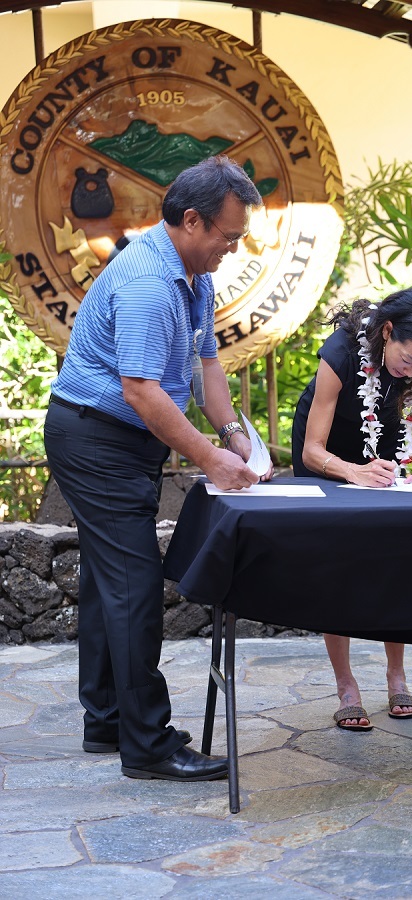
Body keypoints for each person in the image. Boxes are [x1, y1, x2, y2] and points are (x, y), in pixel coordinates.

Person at [44, 155, 272, 780]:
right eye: (227, 235)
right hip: (97, 439)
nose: (232, 247)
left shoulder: (193, 274)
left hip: (120, 438)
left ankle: (107, 721)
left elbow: (206, 366)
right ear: (192, 220)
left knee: (107, 583)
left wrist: (231, 435)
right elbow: (143, 390)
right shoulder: (147, 279)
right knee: (134, 589)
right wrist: (208, 458)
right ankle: (147, 744)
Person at [292, 285, 412, 731]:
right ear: (387, 332)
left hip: (386, 446)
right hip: (329, 451)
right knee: (340, 567)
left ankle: (396, 674)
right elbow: (312, 450)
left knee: (396, 559)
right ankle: (347, 685)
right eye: (409, 361)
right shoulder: (341, 353)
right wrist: (351, 471)